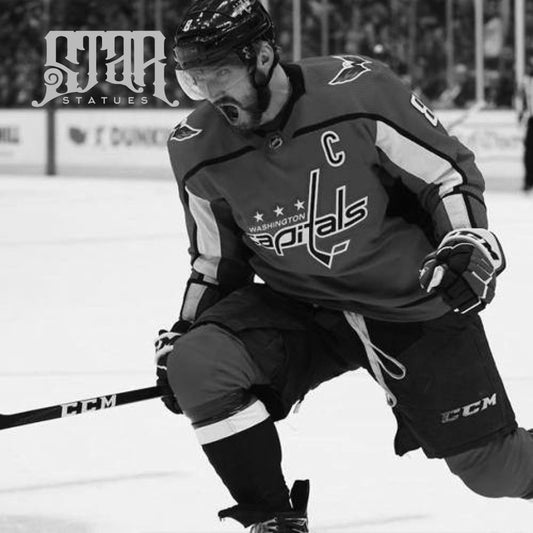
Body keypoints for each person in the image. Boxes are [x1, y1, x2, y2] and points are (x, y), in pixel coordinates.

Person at [154, 1, 533, 531]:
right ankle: (274, 520)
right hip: (300, 304)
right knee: (199, 364)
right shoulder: (195, 147)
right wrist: (186, 331)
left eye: (219, 73)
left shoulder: (359, 92)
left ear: (261, 57)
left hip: (407, 295)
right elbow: (218, 262)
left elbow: (445, 176)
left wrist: (464, 239)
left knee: (494, 470)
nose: (210, 93)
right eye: (195, 79)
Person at [518, 61, 533, 193]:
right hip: (531, 120)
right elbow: (521, 99)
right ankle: (529, 181)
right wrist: (522, 114)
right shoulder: (526, 81)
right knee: (529, 153)